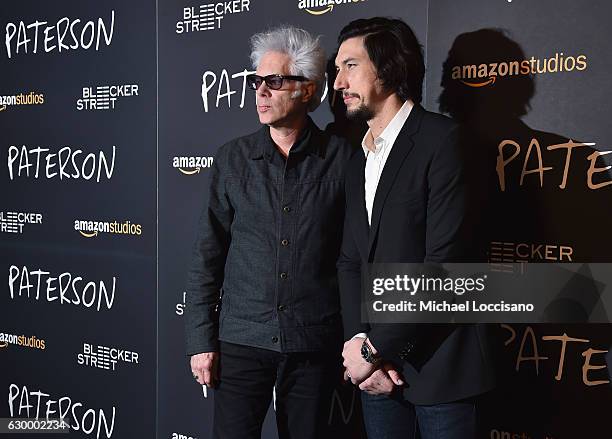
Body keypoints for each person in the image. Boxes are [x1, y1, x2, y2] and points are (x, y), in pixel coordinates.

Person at [184, 26, 353, 439]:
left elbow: (356, 256)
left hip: (313, 342)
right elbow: (208, 252)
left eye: (274, 82)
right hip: (242, 339)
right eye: (256, 81)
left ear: (309, 90)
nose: (260, 92)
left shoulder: (343, 159)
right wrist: (201, 340)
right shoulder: (232, 159)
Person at [334, 17, 496, 439]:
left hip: (441, 369)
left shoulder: (444, 142)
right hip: (376, 376)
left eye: (350, 66)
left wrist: (374, 349)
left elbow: (443, 267)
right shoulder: (358, 160)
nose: (338, 83)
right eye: (337, 70)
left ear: (388, 69)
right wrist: (361, 347)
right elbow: (351, 262)